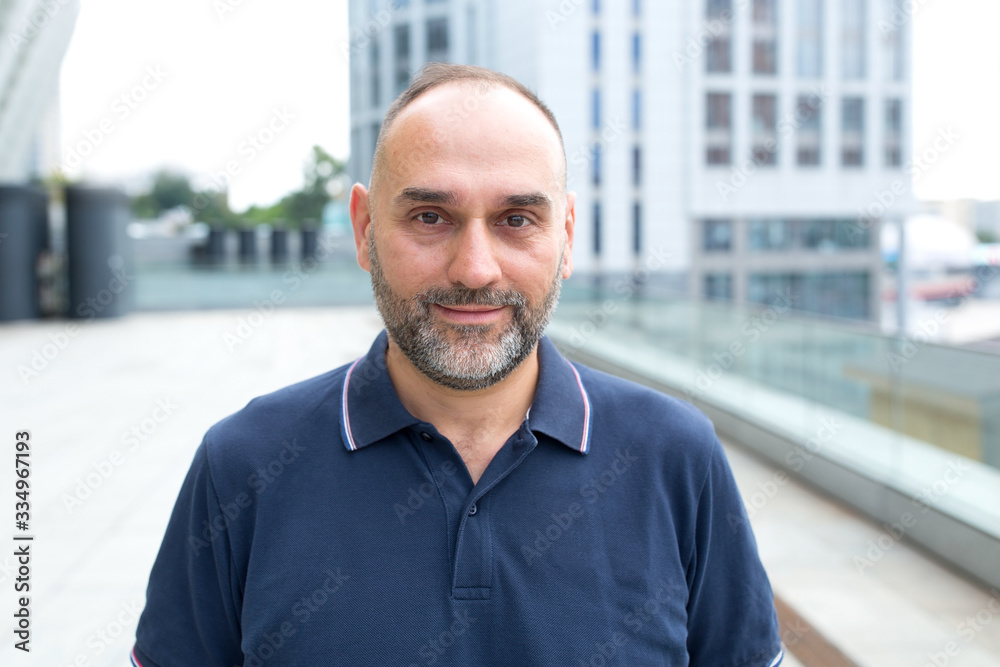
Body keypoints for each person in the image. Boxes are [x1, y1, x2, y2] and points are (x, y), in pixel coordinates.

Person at [130, 63, 784, 667]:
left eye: (517, 218)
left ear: (566, 237)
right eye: (430, 216)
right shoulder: (241, 466)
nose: (475, 268)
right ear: (363, 230)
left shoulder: (676, 457)